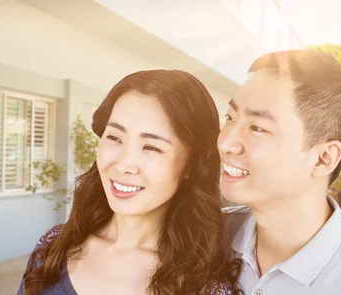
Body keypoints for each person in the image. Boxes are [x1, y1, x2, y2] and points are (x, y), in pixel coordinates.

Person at [18, 70, 236, 295]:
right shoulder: (52, 248)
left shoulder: (203, 286)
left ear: (191, 165)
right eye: (114, 137)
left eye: (151, 147)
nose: (123, 165)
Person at [220, 50, 341, 294]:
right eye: (230, 117)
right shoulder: (207, 235)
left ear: (323, 158)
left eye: (257, 128)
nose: (225, 143)